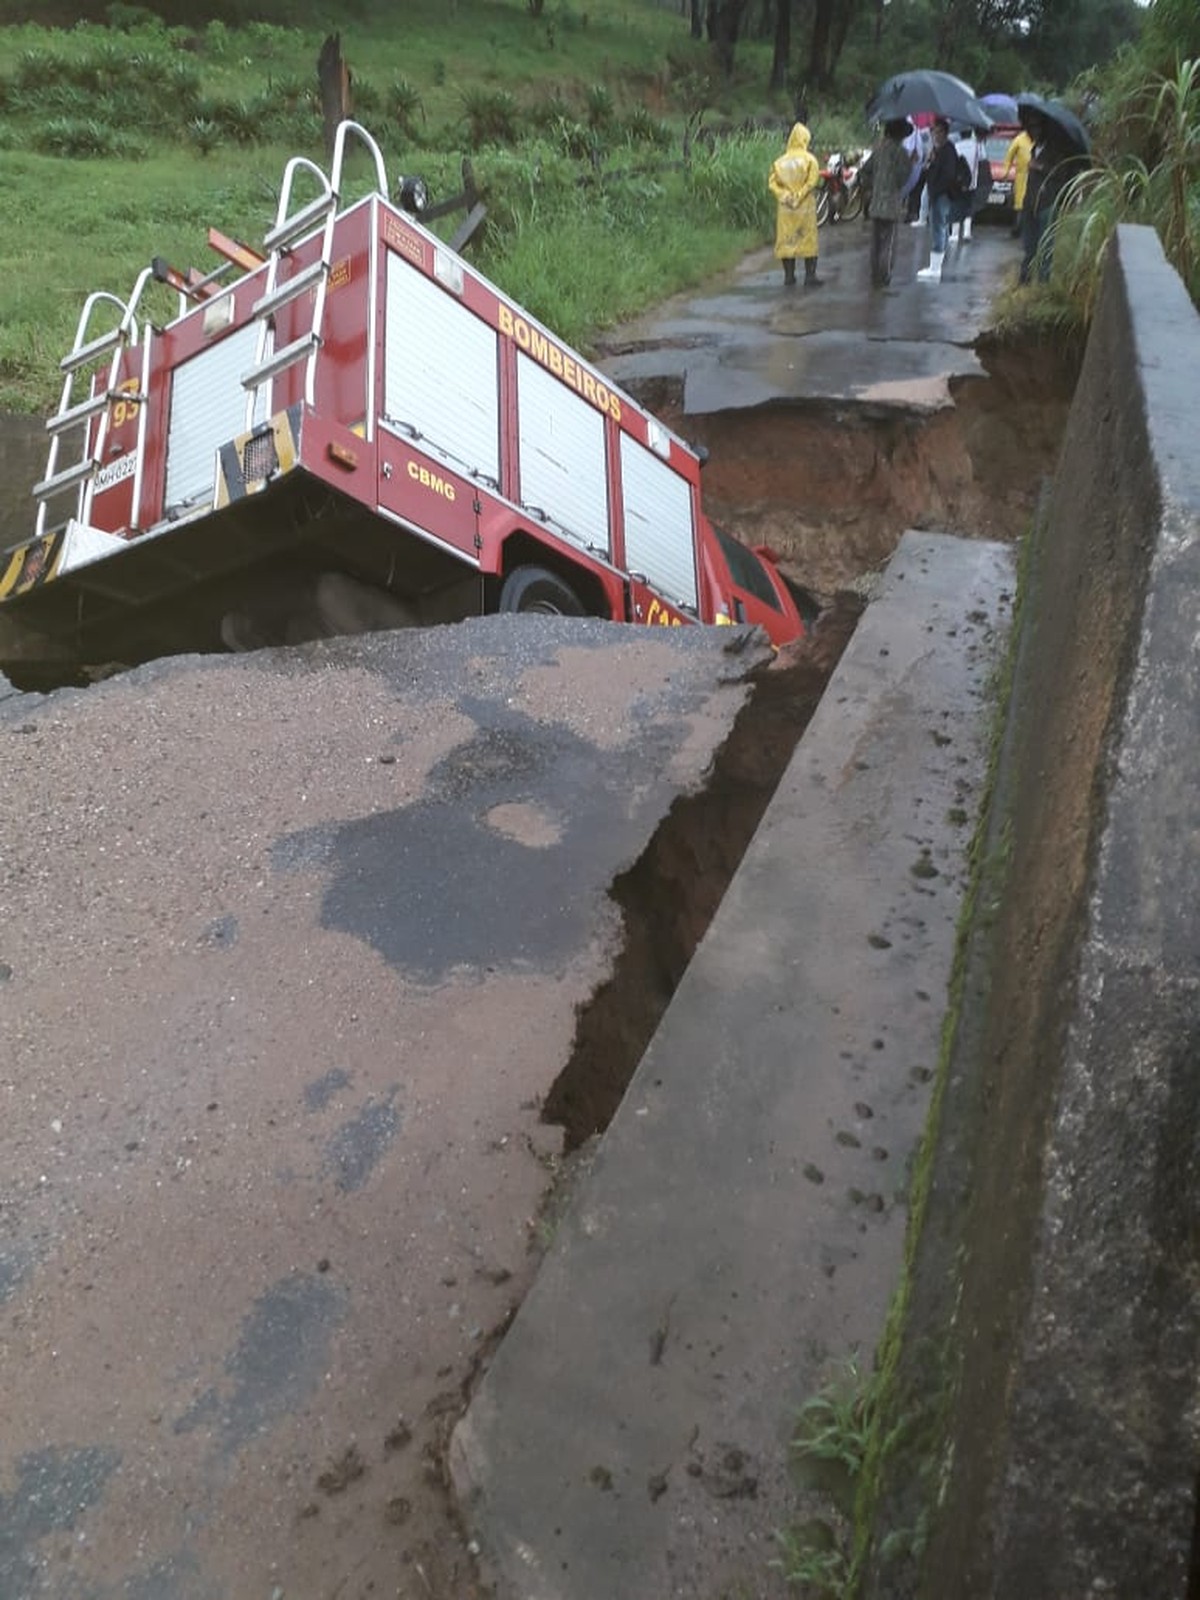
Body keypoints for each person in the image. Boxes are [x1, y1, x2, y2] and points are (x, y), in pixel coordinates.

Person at [1019, 113, 1084, 284]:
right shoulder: (1034, 149)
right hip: (1030, 203)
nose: (1033, 132)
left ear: (1044, 130)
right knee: (1029, 246)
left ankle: (1043, 282)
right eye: (1031, 128)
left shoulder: (1056, 151)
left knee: (1046, 247)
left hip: (1047, 204)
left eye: (1037, 127)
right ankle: (1025, 280)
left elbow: (1060, 173)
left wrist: (1038, 166)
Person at [768, 122, 822, 288]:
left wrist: (784, 196)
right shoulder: (810, 160)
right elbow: (812, 181)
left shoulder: (779, 162)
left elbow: (772, 183)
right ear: (805, 139)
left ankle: (789, 277)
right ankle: (810, 276)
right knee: (808, 239)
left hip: (786, 208)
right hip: (805, 207)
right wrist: (799, 195)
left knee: (787, 240)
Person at [868, 119, 914, 288]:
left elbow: (865, 170)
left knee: (875, 242)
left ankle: (874, 274)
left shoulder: (878, 149)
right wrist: (911, 162)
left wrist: (874, 185)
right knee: (888, 241)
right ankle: (884, 275)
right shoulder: (901, 153)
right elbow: (902, 179)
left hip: (876, 202)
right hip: (891, 205)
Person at [916, 117, 959, 282]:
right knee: (940, 227)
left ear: (945, 133)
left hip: (941, 194)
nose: (935, 135)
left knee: (938, 227)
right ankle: (937, 263)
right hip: (937, 193)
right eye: (934, 131)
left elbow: (948, 174)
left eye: (939, 132)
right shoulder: (937, 150)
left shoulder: (948, 150)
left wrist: (937, 190)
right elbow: (930, 171)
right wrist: (929, 162)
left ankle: (935, 268)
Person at [947, 127, 982, 245]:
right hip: (972, 182)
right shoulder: (978, 146)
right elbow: (982, 160)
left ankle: (955, 234)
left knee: (956, 206)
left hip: (958, 183)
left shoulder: (956, 147)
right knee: (969, 207)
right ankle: (967, 232)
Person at [1004, 126, 1034, 239]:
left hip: (1035, 177)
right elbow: (1009, 156)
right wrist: (1006, 171)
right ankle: (1017, 227)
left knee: (1031, 204)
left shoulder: (1039, 139)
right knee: (1020, 205)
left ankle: (1028, 230)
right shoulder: (1019, 139)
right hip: (1021, 177)